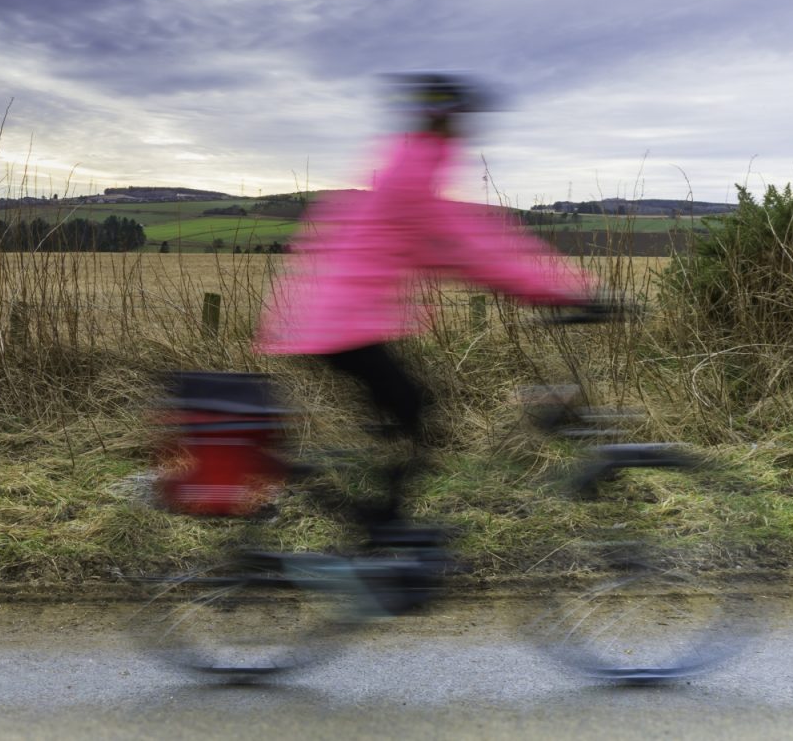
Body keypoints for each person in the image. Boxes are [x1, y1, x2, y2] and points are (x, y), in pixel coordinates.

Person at [255, 73, 601, 546]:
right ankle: (377, 530)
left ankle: (375, 520)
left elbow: (461, 241)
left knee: (402, 415)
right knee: (416, 410)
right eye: (459, 120)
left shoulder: (403, 167)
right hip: (339, 326)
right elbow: (475, 251)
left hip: (330, 321)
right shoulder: (413, 178)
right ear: (447, 121)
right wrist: (567, 292)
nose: (461, 130)